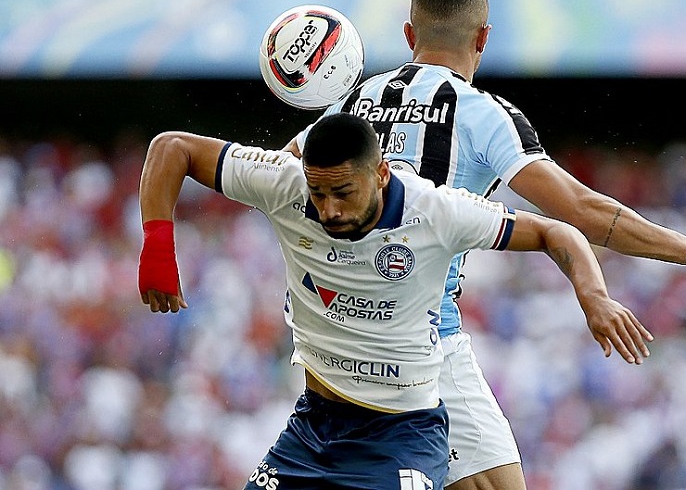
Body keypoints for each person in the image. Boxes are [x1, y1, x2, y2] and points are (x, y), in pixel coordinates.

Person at [283, 0, 686, 490]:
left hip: (334, 336)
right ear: (483, 38)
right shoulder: (483, 114)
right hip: (424, 340)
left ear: (409, 35)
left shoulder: (348, 106)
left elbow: (276, 178)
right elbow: (582, 211)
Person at [138, 113, 652, 490]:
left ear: (380, 174)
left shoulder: (437, 211)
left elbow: (555, 232)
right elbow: (172, 147)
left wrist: (594, 295)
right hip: (313, 427)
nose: (329, 210)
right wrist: (157, 247)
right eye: (319, 194)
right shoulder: (283, 183)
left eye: (343, 192)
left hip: (401, 433)